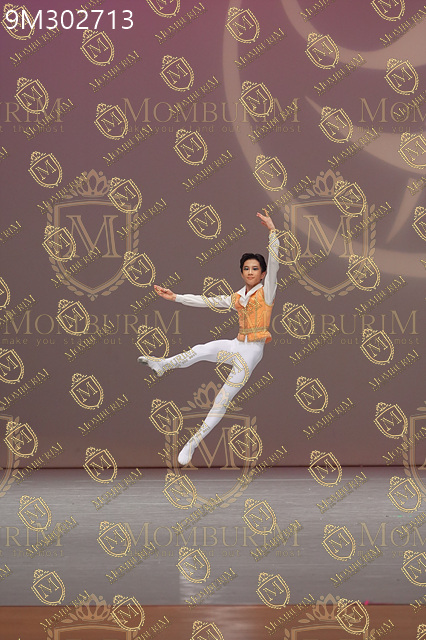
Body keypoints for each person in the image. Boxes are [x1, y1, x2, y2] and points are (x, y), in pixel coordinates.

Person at [138, 211, 281, 465]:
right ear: (241, 273)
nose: (250, 272)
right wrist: (176, 297)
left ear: (263, 274)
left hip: (251, 353)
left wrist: (272, 232)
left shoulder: (267, 292)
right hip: (236, 345)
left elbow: (276, 262)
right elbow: (207, 301)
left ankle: (192, 443)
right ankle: (163, 365)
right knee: (200, 349)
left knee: (222, 400)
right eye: (246, 269)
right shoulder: (237, 297)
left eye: (255, 269)